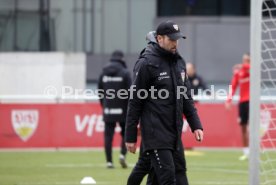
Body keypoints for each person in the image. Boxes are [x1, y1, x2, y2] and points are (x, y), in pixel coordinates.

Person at [125, 21, 204, 185]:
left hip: (174, 133)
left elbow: (186, 97)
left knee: (180, 174)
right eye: (171, 39)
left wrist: (196, 124)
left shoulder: (180, 63)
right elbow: (135, 102)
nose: (175, 43)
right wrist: (130, 136)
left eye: (177, 39)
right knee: (168, 178)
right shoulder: (146, 63)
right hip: (155, 133)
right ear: (159, 38)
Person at [98, 50, 131, 168]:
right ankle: (122, 154)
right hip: (123, 110)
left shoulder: (103, 73)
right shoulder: (125, 73)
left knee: (108, 137)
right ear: (122, 59)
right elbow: (130, 92)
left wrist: (105, 105)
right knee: (126, 134)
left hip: (108, 110)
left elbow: (100, 92)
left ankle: (109, 162)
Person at [225, 53, 250, 161]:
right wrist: (228, 100)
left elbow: (251, 67)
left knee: (253, 127)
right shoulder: (239, 73)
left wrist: (242, 66)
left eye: (248, 60)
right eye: (244, 60)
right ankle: (246, 152)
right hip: (243, 102)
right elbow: (233, 86)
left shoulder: (251, 70)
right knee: (243, 127)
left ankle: (256, 150)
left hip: (252, 101)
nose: (245, 62)